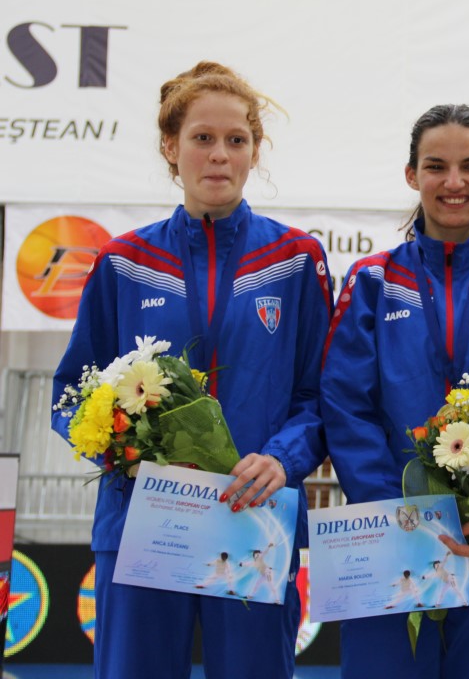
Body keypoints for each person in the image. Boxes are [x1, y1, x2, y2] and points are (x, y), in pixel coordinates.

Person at [50, 61, 334, 678]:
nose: (219, 155)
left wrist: (281, 459)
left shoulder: (295, 259)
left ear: (255, 150)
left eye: (237, 140)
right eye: (202, 138)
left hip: (254, 517)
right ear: (170, 147)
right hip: (143, 521)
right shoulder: (124, 261)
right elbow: (71, 394)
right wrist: (127, 450)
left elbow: (320, 395)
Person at [321, 104, 469, 678]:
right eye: (436, 166)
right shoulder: (373, 281)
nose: (454, 182)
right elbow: (346, 405)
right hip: (390, 532)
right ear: (412, 175)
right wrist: (401, 513)